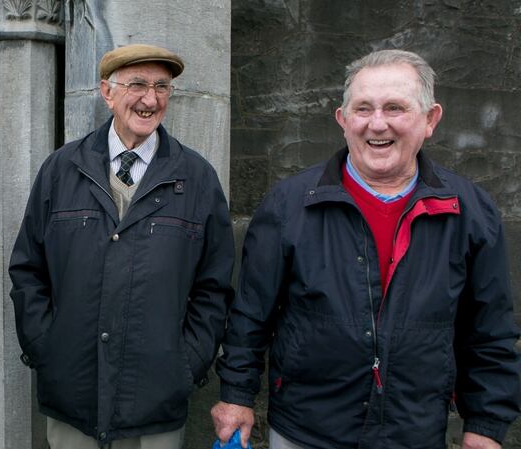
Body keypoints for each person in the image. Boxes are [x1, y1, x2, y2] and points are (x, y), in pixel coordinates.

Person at [211, 49, 521, 449]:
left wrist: (486, 425)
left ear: (430, 120)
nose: (378, 124)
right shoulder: (289, 205)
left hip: (415, 432)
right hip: (305, 431)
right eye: (363, 108)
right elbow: (251, 315)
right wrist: (236, 396)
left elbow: (489, 331)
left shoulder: (471, 212)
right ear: (343, 120)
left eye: (395, 108)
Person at [9, 43, 235, 449]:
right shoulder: (62, 170)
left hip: (154, 404)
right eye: (137, 84)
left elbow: (213, 287)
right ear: (107, 92)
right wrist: (48, 349)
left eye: (161, 86)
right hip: (72, 397)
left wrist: (186, 363)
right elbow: (28, 270)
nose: (150, 99)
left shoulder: (197, 178)